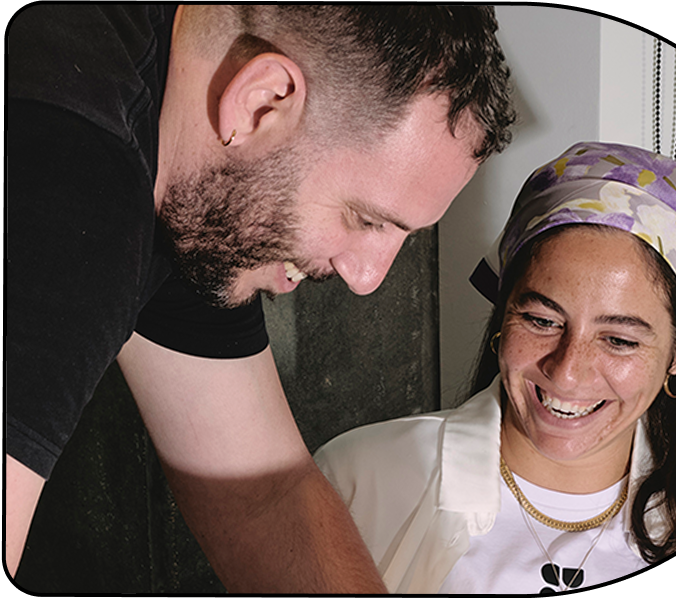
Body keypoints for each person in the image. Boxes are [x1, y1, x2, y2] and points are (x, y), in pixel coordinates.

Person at [7, 5, 515, 591]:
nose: (367, 278)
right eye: (365, 219)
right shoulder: (63, 167)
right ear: (260, 104)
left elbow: (267, 497)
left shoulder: (197, 182)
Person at [314, 141, 676, 593]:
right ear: (504, 312)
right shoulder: (357, 482)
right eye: (542, 320)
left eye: (620, 340)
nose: (567, 371)